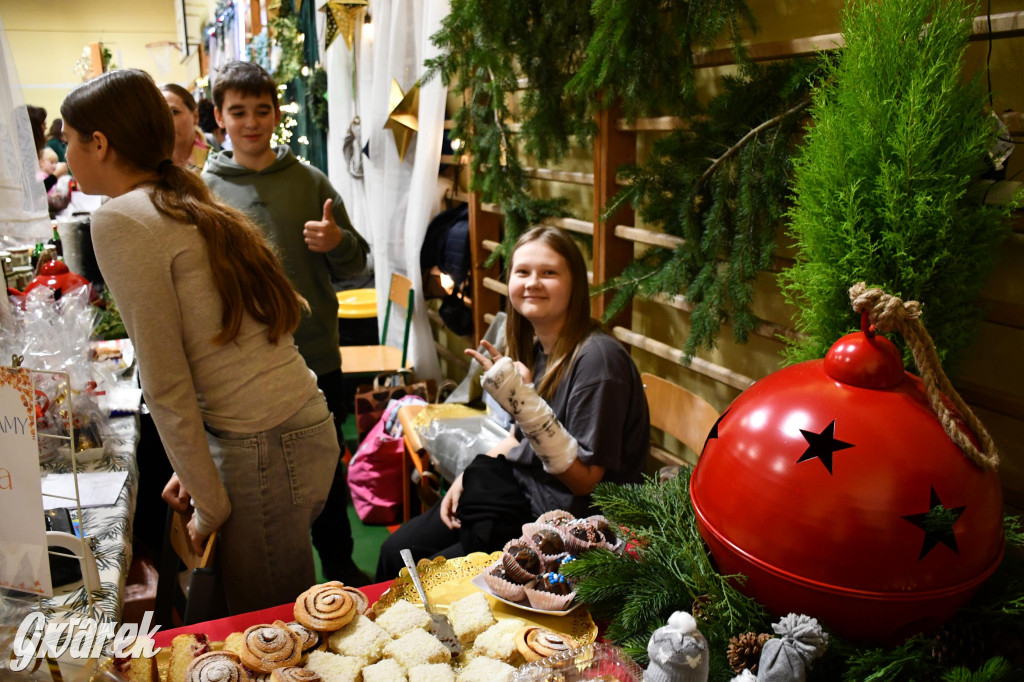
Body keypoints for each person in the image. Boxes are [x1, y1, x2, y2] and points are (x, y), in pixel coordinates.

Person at [61, 69, 340, 614]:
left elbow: (166, 379)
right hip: (287, 427)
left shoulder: (120, 218)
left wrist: (208, 500)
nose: (65, 154)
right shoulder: (172, 195)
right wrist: (195, 475)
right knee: (267, 618)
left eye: (68, 141)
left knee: (275, 628)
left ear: (99, 143)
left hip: (266, 441)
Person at [376, 225, 651, 580]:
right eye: (522, 272)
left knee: (423, 578)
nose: (532, 282)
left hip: (563, 523)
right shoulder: (539, 349)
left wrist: (522, 401)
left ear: (575, 286)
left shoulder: (598, 361)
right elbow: (518, 440)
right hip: (519, 492)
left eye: (549, 273)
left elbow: (584, 482)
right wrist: (464, 478)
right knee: (393, 553)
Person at [203, 60, 371, 586]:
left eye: (261, 110)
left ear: (276, 113)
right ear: (219, 117)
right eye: (238, 112)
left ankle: (340, 563)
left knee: (327, 469)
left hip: (316, 355)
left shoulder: (310, 180)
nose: (251, 122)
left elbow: (358, 261)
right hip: (241, 368)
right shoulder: (203, 191)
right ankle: (281, 584)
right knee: (263, 480)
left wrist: (336, 242)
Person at [160, 83, 210, 173]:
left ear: (195, 117)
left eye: (174, 112)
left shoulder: (213, 163)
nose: (166, 121)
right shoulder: (148, 167)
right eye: (160, 115)